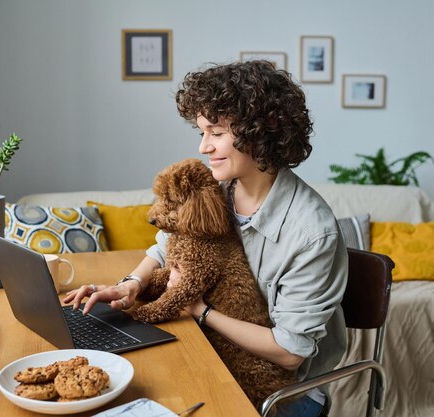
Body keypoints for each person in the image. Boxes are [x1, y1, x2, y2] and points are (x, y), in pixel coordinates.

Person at [63, 60, 348, 417]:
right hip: (215, 351)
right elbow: (168, 244)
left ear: (260, 130)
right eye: (201, 133)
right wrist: (131, 285)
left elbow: (290, 352)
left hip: (284, 392)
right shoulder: (220, 190)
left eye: (215, 132)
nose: (203, 147)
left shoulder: (310, 232)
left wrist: (199, 309)